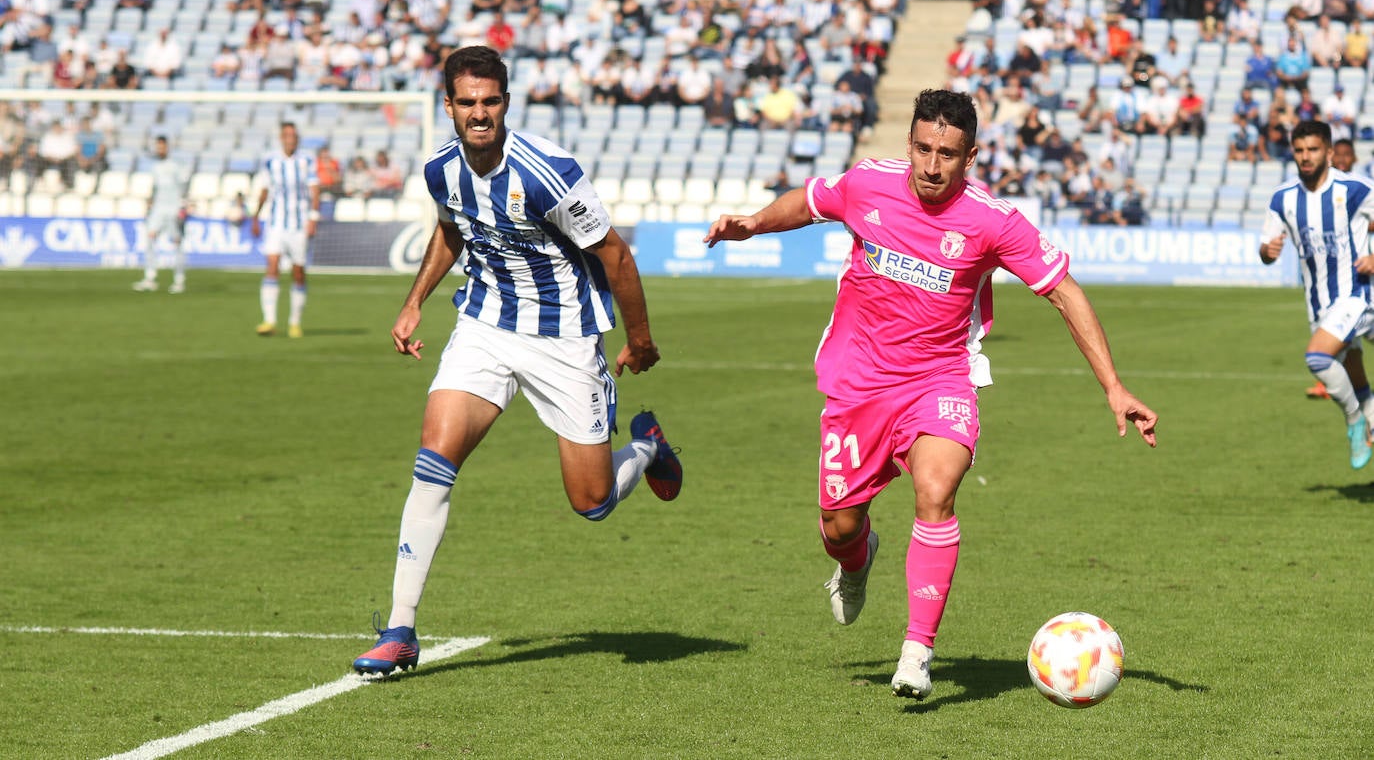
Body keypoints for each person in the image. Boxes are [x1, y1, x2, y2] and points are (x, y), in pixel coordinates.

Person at [703, 89, 1158, 702]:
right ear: (909, 144)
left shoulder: (993, 221)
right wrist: (754, 223)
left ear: (971, 156)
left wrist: (1114, 385)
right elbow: (811, 202)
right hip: (857, 384)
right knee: (838, 528)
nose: (931, 165)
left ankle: (917, 651)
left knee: (935, 489)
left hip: (940, 379)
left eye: (947, 153)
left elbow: (1064, 292)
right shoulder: (869, 184)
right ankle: (856, 561)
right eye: (922, 148)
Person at [350, 46, 684, 677]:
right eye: (468, 102)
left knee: (592, 502)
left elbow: (615, 256)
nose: (480, 114)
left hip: (564, 340)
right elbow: (453, 228)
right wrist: (413, 302)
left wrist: (640, 340)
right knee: (433, 461)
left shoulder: (547, 171)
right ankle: (400, 628)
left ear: (506, 102)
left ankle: (646, 449)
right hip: (484, 325)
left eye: (491, 101)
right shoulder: (440, 169)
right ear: (447, 106)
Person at [1260, 120, 1374, 469]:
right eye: (1299, 150)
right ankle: (1369, 422)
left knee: (1317, 358)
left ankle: (1355, 421)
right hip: (1318, 303)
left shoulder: (1354, 188)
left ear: (1328, 152)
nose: (1305, 157)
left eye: (1312, 149)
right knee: (1355, 374)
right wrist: (1269, 251)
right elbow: (1265, 250)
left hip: (1357, 295)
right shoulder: (1283, 198)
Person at [1302, 137, 1372, 401]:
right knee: (1347, 350)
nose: (1341, 160)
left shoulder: (1359, 189)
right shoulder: (1321, 193)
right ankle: (1362, 419)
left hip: (1364, 286)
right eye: (1338, 156)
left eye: (1347, 155)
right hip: (1338, 286)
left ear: (1354, 158)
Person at [249, 122, 320, 338]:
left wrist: (313, 218)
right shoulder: (271, 160)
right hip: (276, 223)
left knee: (298, 272)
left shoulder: (306, 159)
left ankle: (294, 322)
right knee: (272, 266)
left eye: (293, 135)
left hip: (298, 224)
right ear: (281, 138)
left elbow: (314, 190)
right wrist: (255, 216)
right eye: (287, 135)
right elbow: (264, 190)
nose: (290, 139)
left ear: (297, 138)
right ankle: (269, 320)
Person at [133, 136, 190, 293]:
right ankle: (150, 277)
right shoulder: (155, 167)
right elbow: (156, 188)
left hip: (173, 208)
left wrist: (183, 206)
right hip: (158, 208)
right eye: (157, 147)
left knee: (177, 242)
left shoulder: (175, 166)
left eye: (162, 147)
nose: (160, 150)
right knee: (150, 237)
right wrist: (150, 202)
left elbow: (184, 186)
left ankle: (179, 279)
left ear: (167, 147)